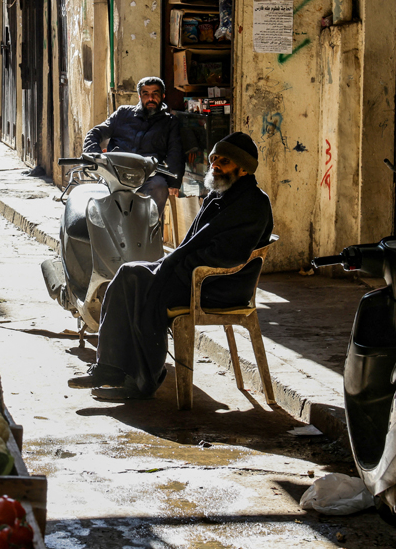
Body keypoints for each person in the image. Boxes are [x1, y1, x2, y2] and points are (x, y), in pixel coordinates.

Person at [68, 132, 273, 400]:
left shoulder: (252, 203)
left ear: (243, 168)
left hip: (218, 284)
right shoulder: (220, 196)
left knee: (135, 280)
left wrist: (176, 267)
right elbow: (195, 244)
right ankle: (114, 369)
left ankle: (138, 376)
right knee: (128, 275)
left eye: (225, 161)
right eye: (214, 159)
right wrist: (173, 264)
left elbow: (227, 255)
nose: (216, 165)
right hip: (194, 273)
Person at [83, 77, 184, 216]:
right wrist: (95, 156)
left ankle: (148, 231)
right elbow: (94, 134)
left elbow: (175, 151)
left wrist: (174, 182)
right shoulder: (123, 114)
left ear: (163, 96)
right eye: (145, 94)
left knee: (160, 186)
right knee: (98, 207)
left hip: (148, 176)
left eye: (155, 94)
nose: (151, 98)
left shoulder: (170, 122)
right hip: (115, 173)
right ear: (139, 96)